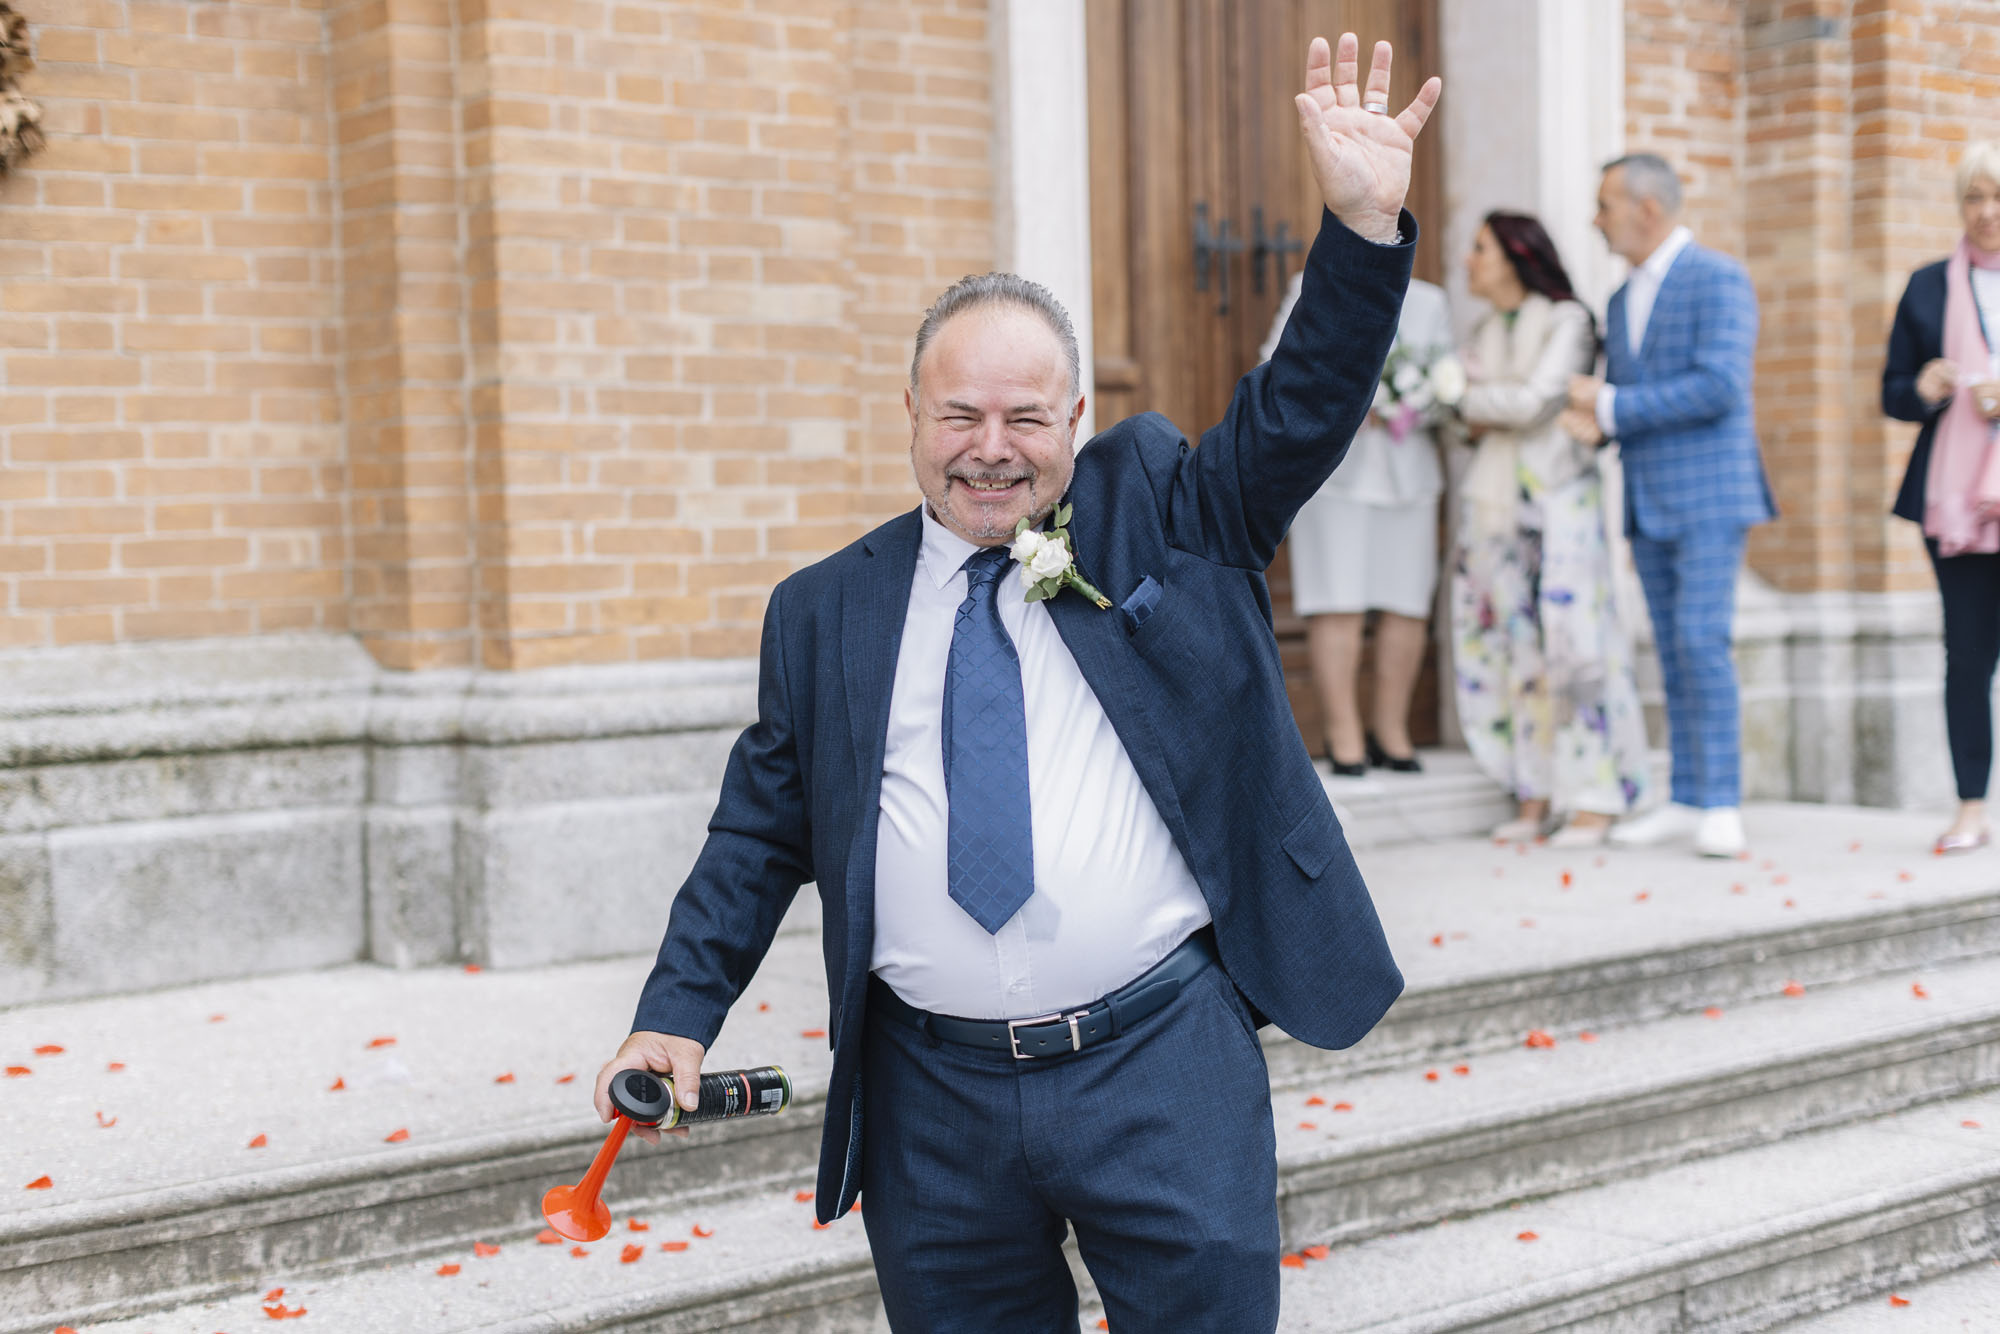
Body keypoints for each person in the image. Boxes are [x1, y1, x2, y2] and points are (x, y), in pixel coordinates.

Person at [591, 35, 1441, 1334]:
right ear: (913, 417)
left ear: (1079, 418)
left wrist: (1362, 229)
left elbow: (1300, 411)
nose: (992, 449)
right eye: (960, 416)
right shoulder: (824, 611)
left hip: (1164, 1063)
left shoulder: (1164, 505)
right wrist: (675, 1012)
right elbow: (759, 830)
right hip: (933, 1106)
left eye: (1027, 418)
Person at [1562, 153, 1775, 859]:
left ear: (1646, 208)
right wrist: (1599, 424)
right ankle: (1685, 797)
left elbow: (1719, 385)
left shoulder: (1719, 277)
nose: (1596, 220)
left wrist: (1614, 405)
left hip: (1712, 495)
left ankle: (1721, 802)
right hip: (1648, 501)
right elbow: (1627, 404)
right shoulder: (1621, 300)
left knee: (1701, 643)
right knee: (1675, 655)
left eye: (1605, 205)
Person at [1452, 212, 1649, 846]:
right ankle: (1535, 795)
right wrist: (1469, 408)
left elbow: (1537, 400)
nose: (1467, 261)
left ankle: (1594, 797)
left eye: (1479, 249)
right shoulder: (1485, 328)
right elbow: (1479, 426)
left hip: (1559, 505)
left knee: (1575, 646)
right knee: (1517, 649)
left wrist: (1454, 397)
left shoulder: (1568, 321)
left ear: (1513, 256)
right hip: (1498, 510)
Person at [1259, 272, 1452, 774]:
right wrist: (1339, 402)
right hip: (1335, 476)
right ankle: (1342, 736)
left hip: (1409, 473)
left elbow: (1446, 381)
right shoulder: (1313, 284)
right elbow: (1275, 365)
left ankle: (1393, 730)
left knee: (1407, 603)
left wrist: (1411, 403)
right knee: (1336, 600)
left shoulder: (1430, 301)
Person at [1882, 139, 2000, 854]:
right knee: (1968, 656)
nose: (1986, 212)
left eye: (1998, 197)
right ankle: (1970, 805)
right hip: (1954, 506)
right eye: (1974, 198)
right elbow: (1891, 392)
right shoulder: (1928, 285)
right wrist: (1922, 389)